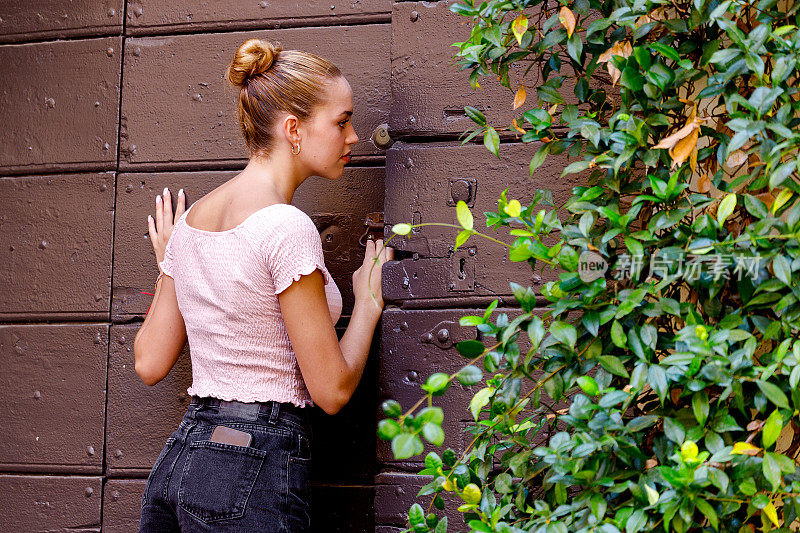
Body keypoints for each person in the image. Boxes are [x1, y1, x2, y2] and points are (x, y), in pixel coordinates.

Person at [134, 38, 393, 532]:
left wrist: (172, 261)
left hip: (181, 458)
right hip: (250, 462)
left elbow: (149, 361)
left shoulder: (190, 226)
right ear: (293, 129)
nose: (354, 136)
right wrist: (367, 304)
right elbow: (332, 390)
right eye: (341, 122)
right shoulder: (285, 227)